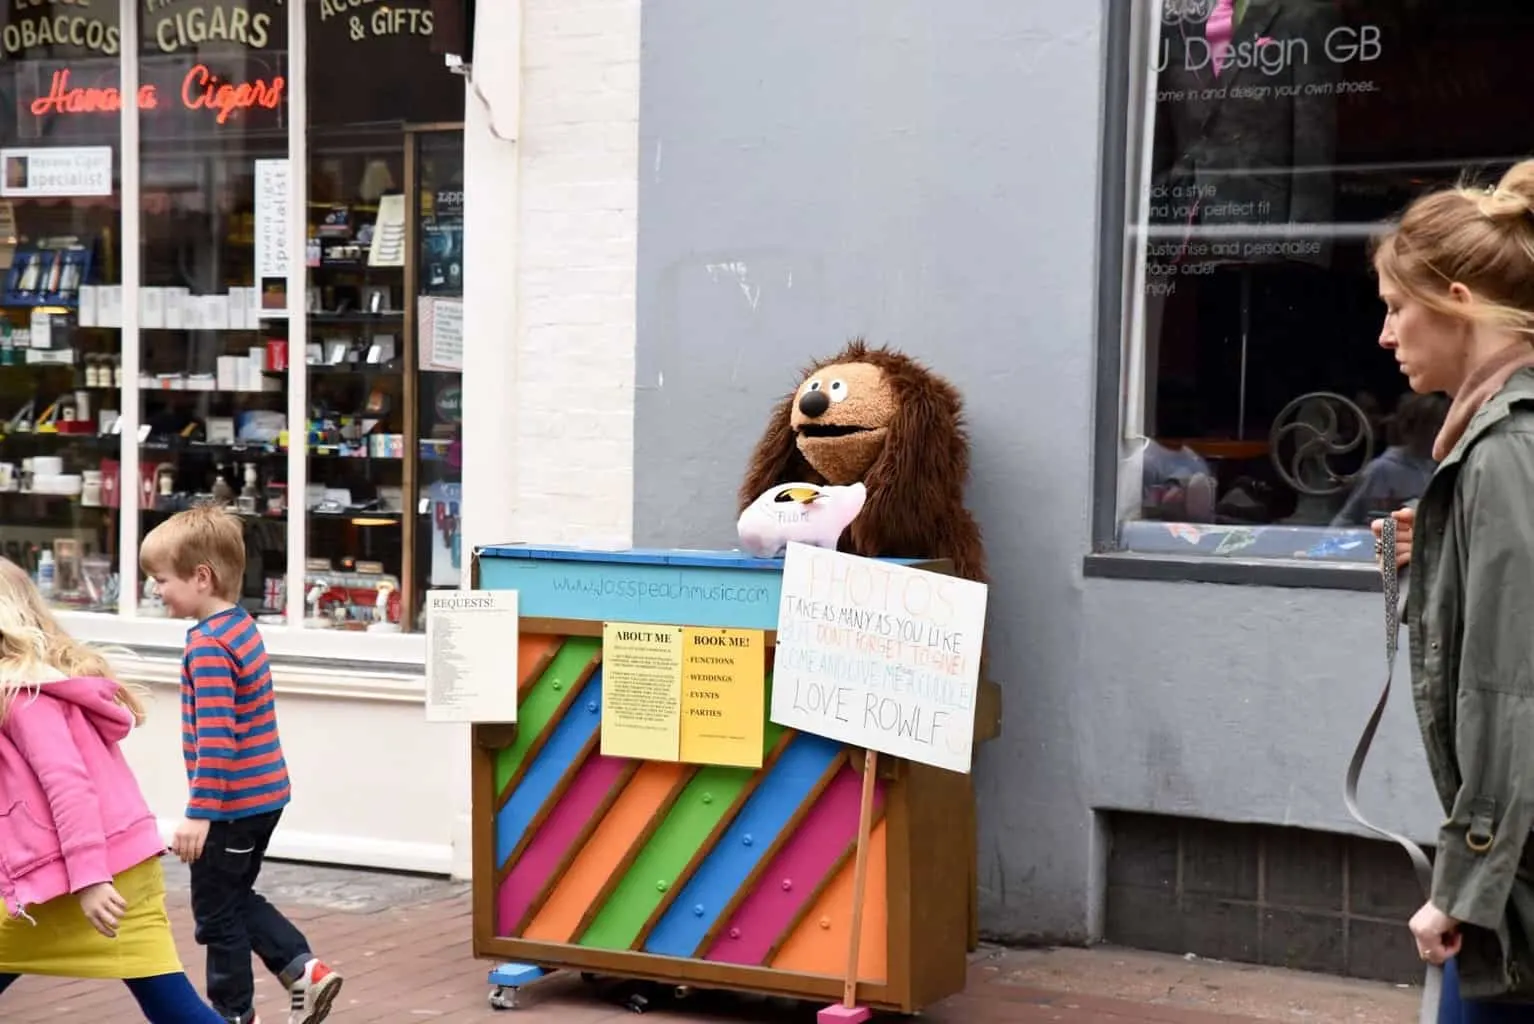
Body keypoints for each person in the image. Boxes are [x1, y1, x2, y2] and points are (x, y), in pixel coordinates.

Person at [1370, 158, 1534, 1022]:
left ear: (1460, 299)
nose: (1387, 336)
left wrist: (1463, 889)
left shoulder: (1505, 452)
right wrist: (1432, 555)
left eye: (1398, 307)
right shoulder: (1493, 446)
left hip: (1517, 890)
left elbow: (1514, 691)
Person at [140, 504, 343, 1024]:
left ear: (200, 577)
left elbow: (217, 738)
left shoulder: (208, 648)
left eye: (161, 580)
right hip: (264, 796)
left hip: (230, 806)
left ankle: (233, 1014)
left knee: (215, 914)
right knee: (233, 896)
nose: (156, 590)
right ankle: (302, 969)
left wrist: (199, 813)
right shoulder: (242, 627)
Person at [0, 558, 226, 1022]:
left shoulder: (25, 697)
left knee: (173, 1007)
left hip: (91, 877)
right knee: (171, 1006)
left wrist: (90, 878)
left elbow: (69, 786)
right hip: (111, 867)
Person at [1331, 391, 1449, 527]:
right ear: (1414, 428)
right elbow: (1348, 520)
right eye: (1436, 425)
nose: (1440, 431)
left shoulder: (1441, 469)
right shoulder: (1382, 470)